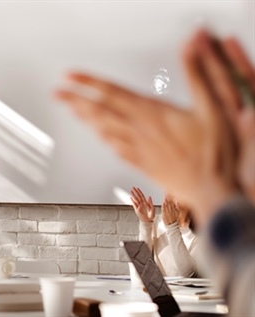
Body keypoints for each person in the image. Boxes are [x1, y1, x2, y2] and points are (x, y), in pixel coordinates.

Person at [56, 29, 254, 316]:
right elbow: (143, 280)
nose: (171, 192)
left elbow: (188, 275)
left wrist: (192, 211)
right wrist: (148, 225)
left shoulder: (202, 237)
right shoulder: (163, 227)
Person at [130, 187, 200, 277]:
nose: (167, 195)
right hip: (158, 290)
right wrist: (145, 224)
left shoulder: (203, 229)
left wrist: (172, 227)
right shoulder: (155, 222)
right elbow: (140, 271)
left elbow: (190, 275)